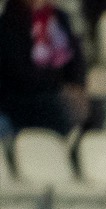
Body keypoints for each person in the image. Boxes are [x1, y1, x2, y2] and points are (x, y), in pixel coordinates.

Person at [0, 0, 88, 134]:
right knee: (61, 107)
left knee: (97, 106)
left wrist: (76, 86)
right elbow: (20, 73)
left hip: (57, 91)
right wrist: (59, 88)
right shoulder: (9, 23)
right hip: (24, 98)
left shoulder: (59, 18)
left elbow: (76, 60)